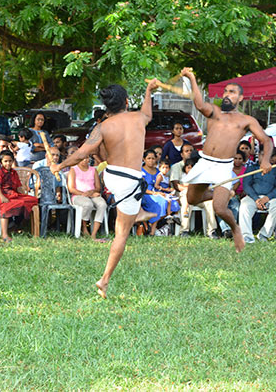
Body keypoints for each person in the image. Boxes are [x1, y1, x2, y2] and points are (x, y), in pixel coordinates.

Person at [50, 80, 160, 299]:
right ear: (127, 102)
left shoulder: (102, 127)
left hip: (111, 176)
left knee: (130, 209)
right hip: (130, 180)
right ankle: (104, 279)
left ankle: (137, 212)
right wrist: (149, 90)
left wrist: (59, 165)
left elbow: (82, 153)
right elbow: (147, 110)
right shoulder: (139, 118)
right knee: (122, 233)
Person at [180, 68, 273, 252]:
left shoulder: (246, 120)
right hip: (205, 162)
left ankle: (236, 230)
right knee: (191, 199)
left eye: (232, 92)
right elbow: (199, 104)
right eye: (226, 91)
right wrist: (191, 77)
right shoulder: (214, 112)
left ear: (240, 98)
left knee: (220, 209)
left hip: (223, 166)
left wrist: (265, 160)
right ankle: (223, 192)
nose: (227, 95)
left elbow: (266, 140)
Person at [239, 145, 276, 243]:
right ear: (258, 155)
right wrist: (256, 199)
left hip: (270, 198)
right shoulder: (252, 168)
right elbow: (246, 185)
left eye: (267, 156)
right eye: (262, 155)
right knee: (244, 206)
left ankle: (264, 235)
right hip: (252, 197)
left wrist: (267, 198)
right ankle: (247, 236)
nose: (264, 158)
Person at [0, 150, 39, 243]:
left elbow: (18, 187)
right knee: (6, 206)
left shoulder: (14, 172)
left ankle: (16, 225)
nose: (8, 163)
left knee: (31, 200)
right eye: (5, 161)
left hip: (12, 194)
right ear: (1, 162)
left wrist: (24, 194)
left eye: (10, 161)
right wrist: (2, 197)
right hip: (1, 194)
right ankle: (4, 234)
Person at [141, 149, 180, 236]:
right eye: (148, 158)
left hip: (160, 194)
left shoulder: (159, 171)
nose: (151, 161)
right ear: (143, 159)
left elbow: (165, 185)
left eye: (153, 158)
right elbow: (141, 188)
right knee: (160, 203)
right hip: (146, 195)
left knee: (174, 202)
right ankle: (153, 227)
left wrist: (166, 192)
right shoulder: (140, 171)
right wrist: (155, 193)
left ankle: (156, 225)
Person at [68, 156, 108, 240]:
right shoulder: (73, 170)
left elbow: (98, 187)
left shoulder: (93, 170)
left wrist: (91, 193)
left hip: (92, 193)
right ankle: (84, 227)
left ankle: (94, 233)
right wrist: (85, 194)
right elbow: (71, 189)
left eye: (87, 158)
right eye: (82, 158)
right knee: (87, 204)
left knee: (102, 204)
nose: (85, 160)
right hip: (78, 195)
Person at [217, 149, 246, 238]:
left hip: (230, 195)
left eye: (239, 158)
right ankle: (226, 230)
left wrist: (232, 191)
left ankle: (232, 228)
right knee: (219, 207)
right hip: (217, 196)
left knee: (235, 205)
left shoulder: (227, 170)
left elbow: (237, 182)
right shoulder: (212, 171)